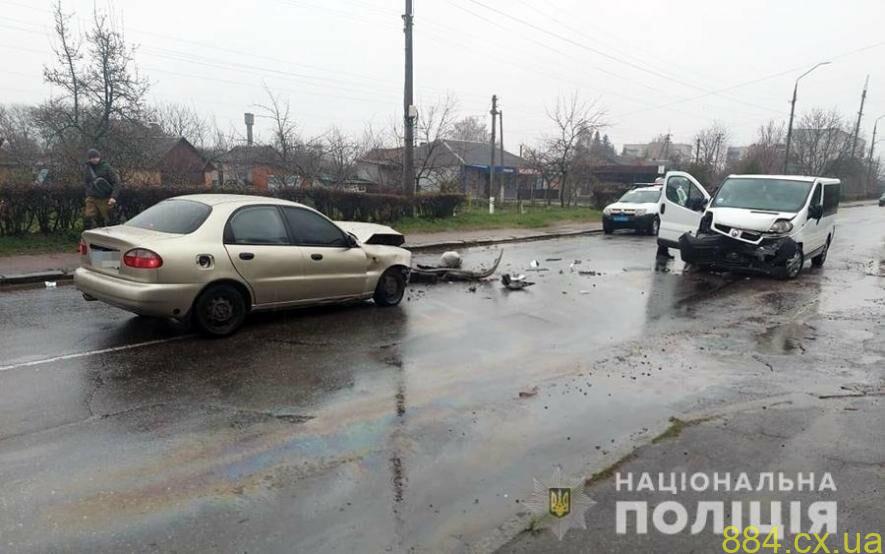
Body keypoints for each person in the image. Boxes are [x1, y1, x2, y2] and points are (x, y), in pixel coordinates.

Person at [83, 148, 119, 229]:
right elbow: (86, 182)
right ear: (89, 159)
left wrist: (113, 197)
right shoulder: (87, 168)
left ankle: (112, 237)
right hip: (92, 197)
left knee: (109, 219)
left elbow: (116, 182)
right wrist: (88, 192)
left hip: (105, 197)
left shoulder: (106, 167)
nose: (94, 159)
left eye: (96, 157)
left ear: (99, 157)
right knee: (89, 217)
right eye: (92, 158)